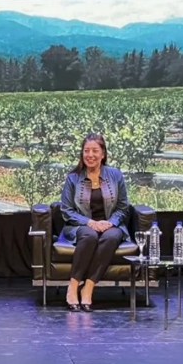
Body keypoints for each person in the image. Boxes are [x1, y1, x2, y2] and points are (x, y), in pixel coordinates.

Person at [59, 133, 131, 312]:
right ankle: (73, 286)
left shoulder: (115, 175)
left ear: (103, 154)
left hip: (110, 226)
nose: (90, 155)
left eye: (95, 151)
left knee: (111, 237)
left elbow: (123, 207)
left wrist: (110, 222)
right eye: (86, 151)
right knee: (89, 235)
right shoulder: (73, 178)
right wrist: (89, 222)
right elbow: (66, 210)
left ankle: (88, 287)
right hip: (80, 226)